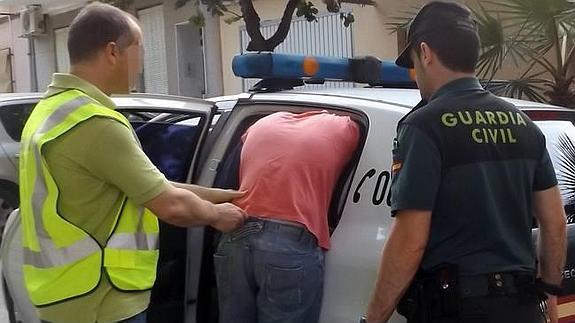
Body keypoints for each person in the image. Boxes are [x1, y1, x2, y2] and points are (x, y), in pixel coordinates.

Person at [18, 3, 247, 323]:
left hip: (63, 291)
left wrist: (218, 195)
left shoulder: (53, 111)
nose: (140, 62)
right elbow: (169, 206)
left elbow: (148, 186)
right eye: (139, 48)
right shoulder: (95, 124)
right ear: (113, 51)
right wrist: (219, 216)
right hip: (100, 295)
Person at [363, 2, 567, 323]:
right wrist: (550, 292)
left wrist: (373, 319)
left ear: (426, 53)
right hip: (522, 308)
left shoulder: (423, 126)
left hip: (458, 308)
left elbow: (410, 240)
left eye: (415, 63)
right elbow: (554, 223)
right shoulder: (524, 125)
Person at [214, 111, 359, 323]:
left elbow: (229, 178)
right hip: (289, 242)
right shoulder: (347, 127)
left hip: (236, 231)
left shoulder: (262, 122)